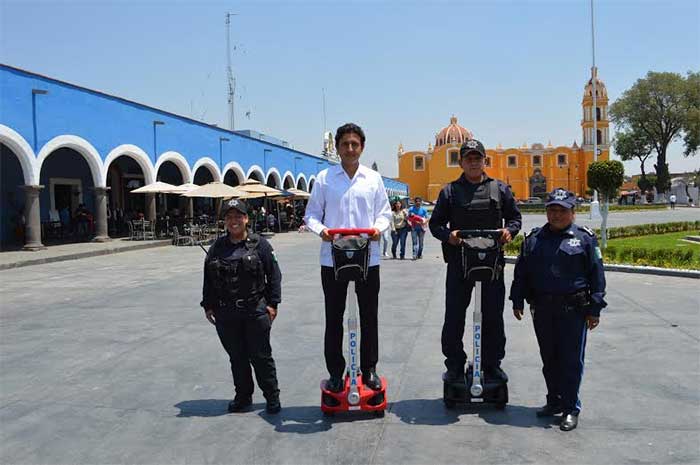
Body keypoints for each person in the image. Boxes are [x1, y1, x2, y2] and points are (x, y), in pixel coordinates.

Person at [304, 123, 392, 393]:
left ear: (362, 148)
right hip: (333, 259)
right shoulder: (324, 178)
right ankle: (334, 372)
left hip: (368, 257)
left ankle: (369, 369)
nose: (350, 149)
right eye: (345, 144)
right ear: (338, 148)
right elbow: (311, 215)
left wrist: (378, 229)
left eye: (355, 144)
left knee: (369, 316)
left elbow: (385, 213)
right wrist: (323, 231)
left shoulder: (373, 179)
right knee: (334, 316)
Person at [509, 188, 606, 431]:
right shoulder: (533, 238)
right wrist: (517, 299)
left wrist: (595, 308)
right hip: (542, 309)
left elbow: (597, 275)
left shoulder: (585, 238)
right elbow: (522, 272)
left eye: (562, 210)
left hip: (573, 310)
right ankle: (554, 401)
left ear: (572, 212)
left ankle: (571, 407)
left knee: (571, 360)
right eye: (552, 209)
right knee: (549, 359)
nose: (556, 215)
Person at [429, 139, 522, 385]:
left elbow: (514, 218)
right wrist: (448, 236)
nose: (473, 162)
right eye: (468, 158)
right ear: (461, 162)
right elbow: (435, 224)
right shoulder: (449, 191)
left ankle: (492, 365)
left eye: (477, 157)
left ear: (484, 160)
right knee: (454, 317)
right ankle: (455, 366)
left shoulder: (499, 189)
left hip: (491, 264)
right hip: (459, 263)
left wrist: (509, 231)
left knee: (493, 316)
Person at [201, 198, 282, 414]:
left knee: (261, 356)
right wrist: (208, 305)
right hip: (226, 312)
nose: (234, 221)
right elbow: (208, 277)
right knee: (237, 357)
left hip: (255, 310)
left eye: (238, 216)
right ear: (224, 221)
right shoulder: (217, 247)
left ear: (246, 219)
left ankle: (272, 397)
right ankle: (243, 397)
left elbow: (274, 275)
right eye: (229, 217)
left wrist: (273, 304)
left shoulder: (261, 245)